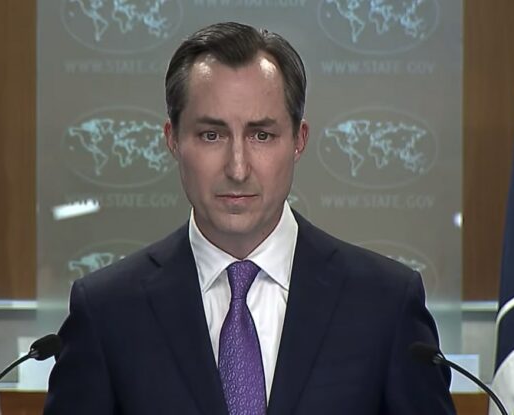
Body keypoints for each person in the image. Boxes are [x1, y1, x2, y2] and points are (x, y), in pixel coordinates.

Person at [43, 22, 455, 414]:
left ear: (298, 141)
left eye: (262, 135)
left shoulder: (385, 304)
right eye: (211, 135)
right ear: (172, 140)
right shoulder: (107, 311)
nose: (238, 168)